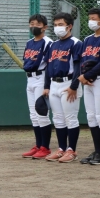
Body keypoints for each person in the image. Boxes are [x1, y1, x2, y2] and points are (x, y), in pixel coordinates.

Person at [43, 12, 83, 163]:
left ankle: (71, 150)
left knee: (70, 118)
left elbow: (78, 66)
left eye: (61, 24)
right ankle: (61, 149)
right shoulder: (53, 45)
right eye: (55, 25)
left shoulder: (76, 43)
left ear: (69, 26)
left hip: (69, 83)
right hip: (54, 84)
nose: (57, 27)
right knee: (58, 118)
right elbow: (48, 67)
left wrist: (74, 86)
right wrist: (47, 86)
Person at [77, 8, 100, 165]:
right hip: (88, 80)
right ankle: (97, 151)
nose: (91, 21)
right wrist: (84, 76)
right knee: (91, 116)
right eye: (90, 18)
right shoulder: (87, 39)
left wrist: (87, 75)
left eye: (94, 18)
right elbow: (83, 60)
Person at [22, 14, 54, 159]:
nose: (33, 26)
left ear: (44, 27)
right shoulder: (29, 43)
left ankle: (45, 147)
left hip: (41, 77)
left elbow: (49, 64)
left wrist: (47, 85)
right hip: (30, 78)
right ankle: (38, 145)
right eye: (31, 24)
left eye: (37, 24)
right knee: (33, 115)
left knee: (41, 113)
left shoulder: (48, 42)